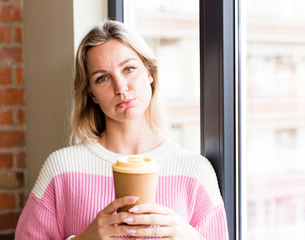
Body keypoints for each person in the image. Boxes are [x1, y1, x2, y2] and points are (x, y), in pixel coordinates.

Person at [15, 20, 229, 240]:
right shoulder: (60, 170)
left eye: (129, 69)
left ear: (150, 73)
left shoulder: (196, 171)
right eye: (103, 78)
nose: (120, 87)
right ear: (92, 94)